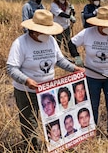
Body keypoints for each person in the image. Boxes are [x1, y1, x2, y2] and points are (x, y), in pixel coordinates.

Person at [6, 9, 84, 150]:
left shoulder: (51, 41)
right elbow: (11, 68)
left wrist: (73, 68)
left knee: (53, 120)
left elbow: (59, 60)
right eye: (44, 31)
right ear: (34, 30)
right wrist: (26, 80)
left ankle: (55, 146)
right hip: (27, 92)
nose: (47, 34)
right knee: (29, 123)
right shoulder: (20, 43)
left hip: (49, 90)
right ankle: (33, 148)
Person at [69, 6, 108, 136]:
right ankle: (90, 131)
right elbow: (71, 43)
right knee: (92, 105)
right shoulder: (87, 33)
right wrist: (77, 57)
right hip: (91, 77)